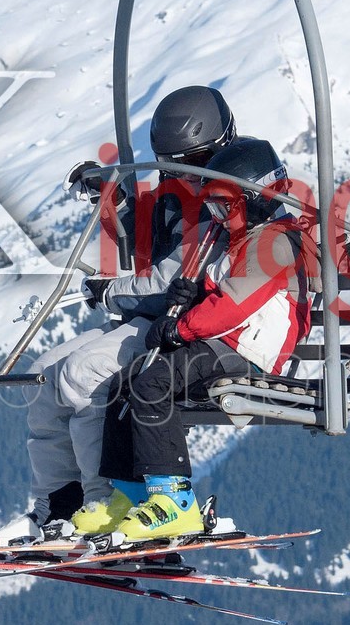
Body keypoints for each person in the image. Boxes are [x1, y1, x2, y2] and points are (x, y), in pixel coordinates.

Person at [10, 87, 237, 544]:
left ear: (221, 147)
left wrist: (109, 293)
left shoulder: (228, 199)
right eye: (173, 165)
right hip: (158, 319)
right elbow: (149, 244)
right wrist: (112, 198)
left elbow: (170, 282)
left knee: (82, 373)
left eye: (195, 162)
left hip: (188, 330)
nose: (186, 176)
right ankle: (58, 505)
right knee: (43, 377)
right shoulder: (180, 195)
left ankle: (106, 503)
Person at [91, 135, 318, 543]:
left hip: (247, 351)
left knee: (153, 384)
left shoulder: (275, 243)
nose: (217, 216)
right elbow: (220, 294)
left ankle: (175, 502)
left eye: (223, 206)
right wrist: (191, 295)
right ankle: (131, 494)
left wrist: (179, 328)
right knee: (124, 384)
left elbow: (233, 306)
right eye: (212, 207)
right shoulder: (245, 239)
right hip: (223, 343)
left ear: (254, 199)